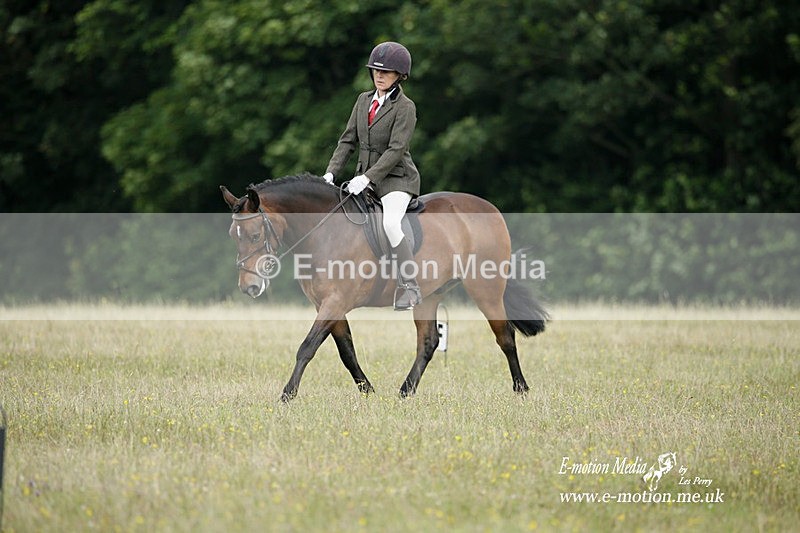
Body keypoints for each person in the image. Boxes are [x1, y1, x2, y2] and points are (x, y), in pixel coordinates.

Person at [322, 41, 422, 310]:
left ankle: (409, 287)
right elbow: (347, 142)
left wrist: (367, 178)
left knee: (390, 224)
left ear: (399, 76)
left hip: (397, 180)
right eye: (376, 71)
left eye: (386, 72)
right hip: (362, 179)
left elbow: (397, 149)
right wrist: (330, 174)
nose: (379, 75)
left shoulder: (405, 107)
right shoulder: (362, 101)